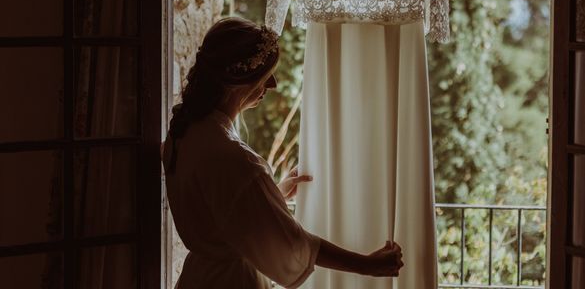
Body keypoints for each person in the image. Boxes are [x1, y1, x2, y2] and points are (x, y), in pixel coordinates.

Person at [163, 17, 404, 289]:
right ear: (238, 78)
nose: (274, 84)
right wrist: (367, 265)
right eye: (265, 75)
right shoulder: (231, 157)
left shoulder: (184, 133)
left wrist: (270, 193)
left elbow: (220, 213)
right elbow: (290, 243)